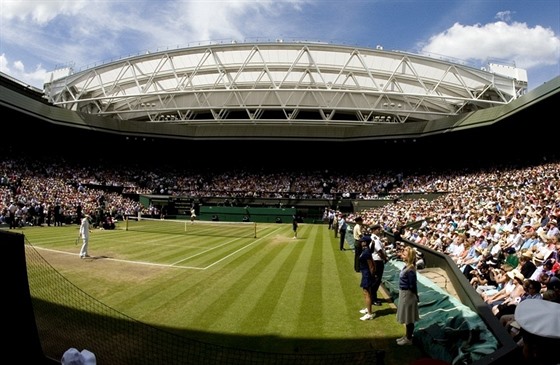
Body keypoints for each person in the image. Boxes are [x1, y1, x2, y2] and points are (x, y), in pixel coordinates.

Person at [396, 246, 420, 346]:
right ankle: (406, 336)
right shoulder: (406, 266)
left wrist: (415, 296)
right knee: (407, 318)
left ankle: (409, 338)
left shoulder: (410, 269)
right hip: (404, 293)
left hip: (408, 295)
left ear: (409, 257)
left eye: (405, 254)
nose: (403, 254)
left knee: (409, 318)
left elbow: (412, 285)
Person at [370, 224, 388, 306]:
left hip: (375, 260)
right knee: (376, 280)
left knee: (376, 280)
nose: (379, 231)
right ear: (374, 230)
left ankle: (373, 297)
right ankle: (373, 298)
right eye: (378, 229)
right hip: (377, 261)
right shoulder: (375, 239)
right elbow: (379, 251)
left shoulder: (374, 238)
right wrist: (385, 258)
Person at [358, 237, 375, 320]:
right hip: (365, 274)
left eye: (362, 241)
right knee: (367, 292)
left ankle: (369, 314)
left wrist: (371, 277)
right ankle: (367, 309)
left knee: (367, 292)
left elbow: (371, 266)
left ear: (365, 243)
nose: (361, 242)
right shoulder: (366, 250)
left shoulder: (367, 251)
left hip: (367, 275)